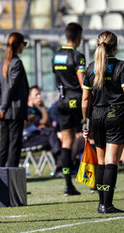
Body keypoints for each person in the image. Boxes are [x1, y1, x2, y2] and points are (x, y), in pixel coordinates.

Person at [82, 31, 124, 213]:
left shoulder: (91, 67)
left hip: (97, 116)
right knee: (111, 161)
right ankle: (107, 204)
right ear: (115, 47)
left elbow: (85, 99)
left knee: (101, 161)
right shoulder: (121, 67)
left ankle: (101, 204)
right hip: (116, 114)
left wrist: (85, 123)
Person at [52, 22, 85, 196]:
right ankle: (95, 182)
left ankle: (68, 185)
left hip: (62, 100)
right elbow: (83, 83)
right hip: (77, 100)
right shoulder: (78, 56)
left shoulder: (56, 56)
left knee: (66, 142)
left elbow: (57, 78)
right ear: (78, 35)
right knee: (92, 138)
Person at [0, 32, 29, 168]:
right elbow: (10, 88)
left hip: (4, 111)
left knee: (3, 145)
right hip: (14, 111)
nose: (24, 47)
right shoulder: (16, 63)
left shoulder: (3, 62)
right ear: (19, 45)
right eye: (23, 44)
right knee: (14, 146)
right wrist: (2, 106)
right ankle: (11, 182)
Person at [22, 86, 62, 174]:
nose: (39, 97)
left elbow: (45, 123)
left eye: (39, 94)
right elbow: (23, 124)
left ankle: (62, 164)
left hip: (38, 136)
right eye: (36, 95)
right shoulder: (24, 108)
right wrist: (30, 119)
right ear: (29, 96)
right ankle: (61, 165)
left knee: (54, 135)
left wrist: (43, 107)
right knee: (53, 135)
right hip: (27, 139)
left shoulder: (36, 110)